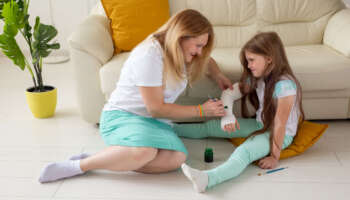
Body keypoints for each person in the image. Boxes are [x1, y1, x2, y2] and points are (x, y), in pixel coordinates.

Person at [38, 9, 233, 183]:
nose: (200, 52)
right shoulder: (151, 54)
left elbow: (208, 60)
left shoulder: (181, 52)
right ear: (181, 36)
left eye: (202, 47)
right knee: (145, 152)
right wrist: (200, 110)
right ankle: (81, 165)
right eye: (198, 45)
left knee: (177, 158)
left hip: (155, 122)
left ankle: (115, 157)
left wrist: (218, 75)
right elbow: (155, 108)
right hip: (124, 116)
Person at [174, 31, 305, 193]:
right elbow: (230, 93)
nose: (248, 65)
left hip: (280, 134)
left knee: (244, 152)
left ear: (269, 59)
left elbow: (280, 124)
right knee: (211, 127)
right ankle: (169, 128)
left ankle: (208, 179)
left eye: (251, 60)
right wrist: (227, 117)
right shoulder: (258, 77)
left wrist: (274, 156)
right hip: (261, 124)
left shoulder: (285, 86)